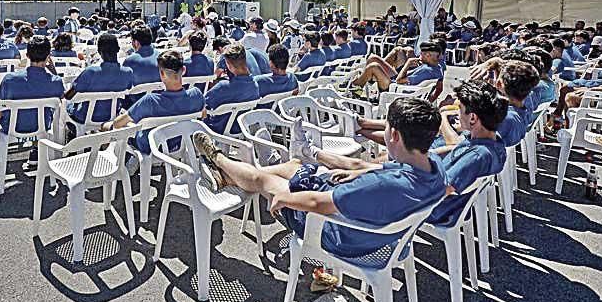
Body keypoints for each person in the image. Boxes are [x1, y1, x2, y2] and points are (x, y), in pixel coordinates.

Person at [191, 97, 448, 267]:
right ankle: (235, 174)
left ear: (392, 134)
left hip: (337, 235)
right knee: (297, 167)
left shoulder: (383, 186)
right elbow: (379, 174)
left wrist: (284, 199)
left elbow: (317, 202)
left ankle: (220, 161)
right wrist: (360, 174)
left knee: (263, 181)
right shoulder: (435, 170)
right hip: (377, 235)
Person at [427, 81, 508, 226]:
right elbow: (456, 149)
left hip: (434, 208)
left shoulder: (478, 156)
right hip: (450, 201)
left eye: (460, 108)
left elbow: (442, 189)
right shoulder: (492, 141)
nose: (457, 113)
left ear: (473, 118)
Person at [101, 50, 204, 158]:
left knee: (107, 126)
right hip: (181, 144)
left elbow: (118, 124)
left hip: (152, 147)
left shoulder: (150, 101)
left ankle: (112, 164)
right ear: (183, 70)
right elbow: (203, 115)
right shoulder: (197, 95)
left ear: (162, 73)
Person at [0, 36, 67, 166]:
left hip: (11, 126)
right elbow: (62, 99)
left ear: (27, 55)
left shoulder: (10, 79)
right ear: (48, 56)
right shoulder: (55, 81)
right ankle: (36, 148)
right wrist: (53, 70)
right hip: (42, 127)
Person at [66, 33, 135, 125]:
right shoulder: (128, 72)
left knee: (65, 104)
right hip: (112, 116)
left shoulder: (90, 72)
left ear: (99, 52)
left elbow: (69, 96)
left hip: (84, 118)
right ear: (118, 49)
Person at [204, 43, 260, 135]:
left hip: (216, 130)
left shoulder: (222, 87)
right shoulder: (255, 85)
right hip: (240, 127)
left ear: (229, 65)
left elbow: (202, 104)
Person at [353, 41, 444, 92]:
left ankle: (355, 87)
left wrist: (408, 64)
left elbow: (399, 81)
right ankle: (364, 81)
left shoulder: (426, 70)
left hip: (395, 88)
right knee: (373, 58)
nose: (419, 56)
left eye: (421, 54)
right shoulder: (438, 67)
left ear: (428, 55)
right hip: (400, 84)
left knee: (373, 66)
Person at [123, 25, 160, 103]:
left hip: (138, 104)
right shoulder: (161, 56)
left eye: (132, 40)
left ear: (136, 42)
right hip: (158, 101)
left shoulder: (130, 61)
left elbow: (125, 86)